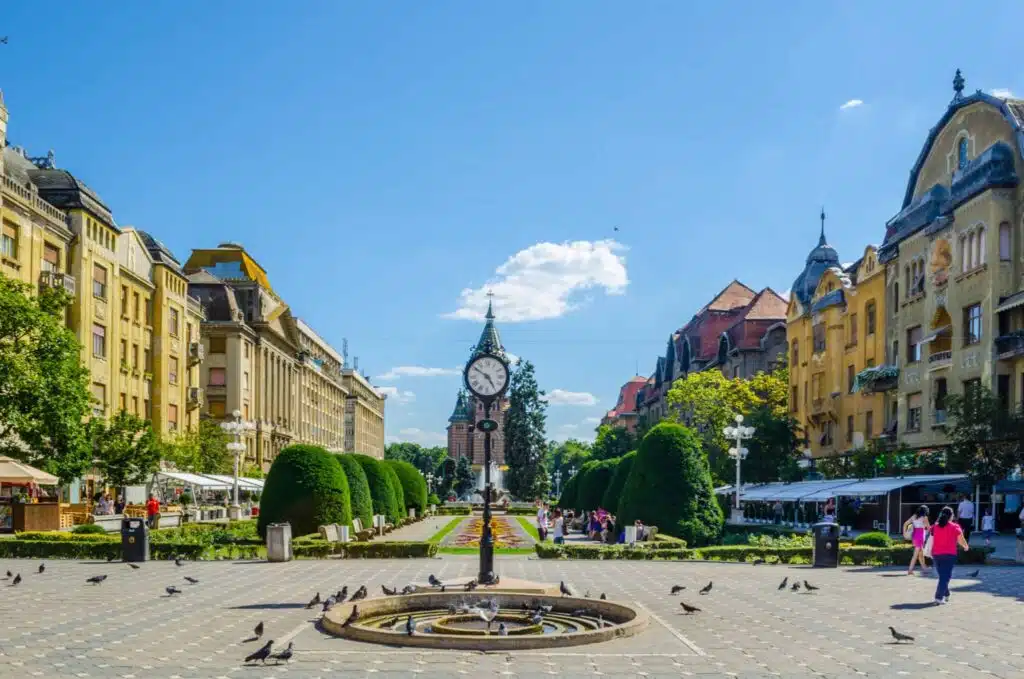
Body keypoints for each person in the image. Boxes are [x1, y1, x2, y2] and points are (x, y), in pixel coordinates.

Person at [929, 505, 969, 605]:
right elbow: (961, 539)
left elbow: (931, 537)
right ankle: (938, 597)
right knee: (945, 577)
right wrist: (966, 546)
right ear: (951, 516)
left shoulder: (935, 526)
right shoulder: (955, 526)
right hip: (949, 555)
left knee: (942, 576)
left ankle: (946, 594)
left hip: (936, 554)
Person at [904, 505, 931, 576]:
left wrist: (904, 533)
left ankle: (924, 568)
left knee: (920, 553)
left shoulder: (914, 516)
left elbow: (905, 524)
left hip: (915, 535)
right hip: (920, 536)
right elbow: (928, 528)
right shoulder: (925, 518)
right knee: (916, 554)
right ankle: (910, 570)